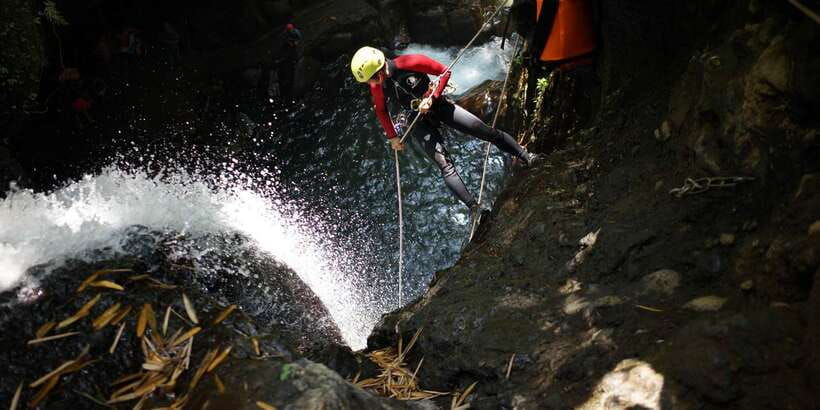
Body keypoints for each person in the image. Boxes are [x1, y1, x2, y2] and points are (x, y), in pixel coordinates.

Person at [350, 46, 540, 213]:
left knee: (486, 132)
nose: (370, 84)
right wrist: (392, 137)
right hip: (416, 119)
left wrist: (431, 98)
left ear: (379, 71)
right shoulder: (377, 86)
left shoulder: (409, 62)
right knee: (445, 165)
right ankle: (475, 209)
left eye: (371, 79)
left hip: (439, 105)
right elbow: (381, 110)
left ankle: (527, 157)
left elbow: (444, 72)